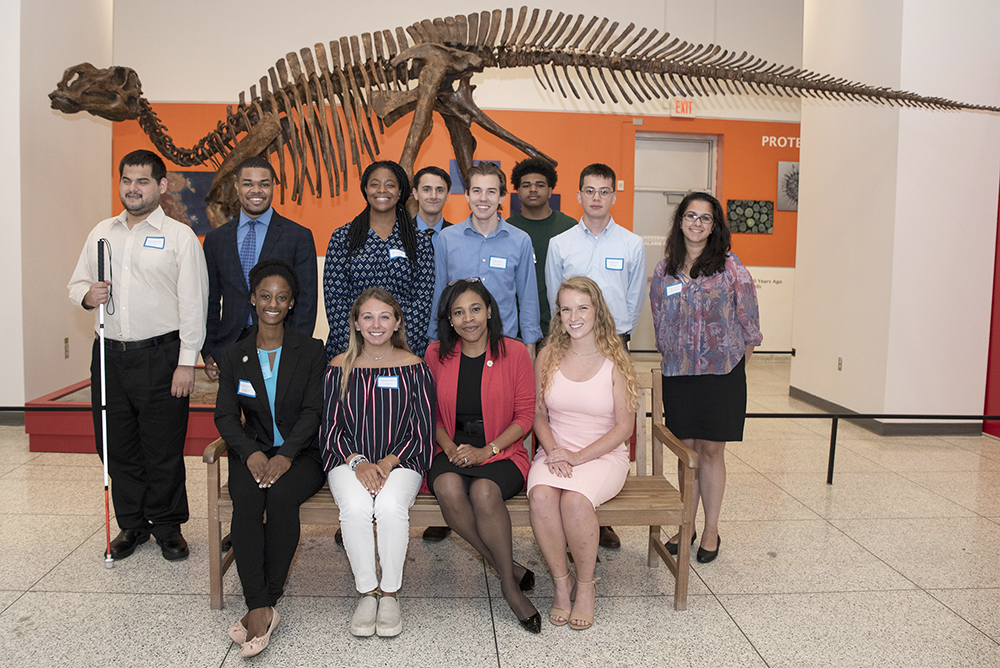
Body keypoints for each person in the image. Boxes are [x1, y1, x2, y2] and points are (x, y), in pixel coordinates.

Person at [68, 149, 208, 561]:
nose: (133, 188)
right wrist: (86, 295)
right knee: (115, 443)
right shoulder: (101, 233)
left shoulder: (180, 237)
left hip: (161, 356)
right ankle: (132, 524)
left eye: (143, 181)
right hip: (109, 355)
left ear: (161, 186)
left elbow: (194, 306)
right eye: (127, 180)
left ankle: (167, 526)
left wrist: (187, 363)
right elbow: (77, 284)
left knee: (162, 446)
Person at [214, 259, 326, 658]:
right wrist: (251, 452)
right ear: (252, 300)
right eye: (265, 296)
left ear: (292, 302)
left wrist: (287, 456)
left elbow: (314, 412)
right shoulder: (234, 355)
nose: (273, 303)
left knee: (280, 499)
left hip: (302, 454)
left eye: (281, 297)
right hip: (254, 451)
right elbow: (225, 415)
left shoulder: (311, 350)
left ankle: (262, 605)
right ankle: (261, 606)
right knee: (247, 503)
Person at [650, 192, 762, 564]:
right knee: (687, 455)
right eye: (691, 216)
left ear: (715, 226)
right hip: (680, 374)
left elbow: (750, 323)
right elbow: (659, 319)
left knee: (711, 452)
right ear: (680, 220)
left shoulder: (730, 267)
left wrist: (733, 365)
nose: (697, 223)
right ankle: (685, 526)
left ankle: (710, 529)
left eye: (705, 218)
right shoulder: (664, 270)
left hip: (721, 375)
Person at [423, 279, 541, 634]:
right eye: (458, 312)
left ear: (489, 311)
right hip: (451, 445)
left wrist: (486, 450)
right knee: (446, 485)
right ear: (449, 319)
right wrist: (449, 448)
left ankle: (507, 584)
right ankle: (508, 571)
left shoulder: (515, 352)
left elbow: (524, 416)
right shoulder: (436, 354)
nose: (468, 319)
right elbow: (433, 416)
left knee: (484, 492)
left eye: (475, 309)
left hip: (501, 448)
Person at [321, 288, 435, 638]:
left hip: (403, 460)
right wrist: (358, 462)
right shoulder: (337, 367)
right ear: (355, 322)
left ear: (397, 321)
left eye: (384, 316)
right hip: (347, 459)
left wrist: (386, 463)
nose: (376, 324)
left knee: (388, 506)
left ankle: (389, 594)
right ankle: (366, 592)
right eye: (367, 316)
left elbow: (423, 428)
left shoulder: (414, 367)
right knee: (355, 506)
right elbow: (330, 427)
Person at [544, 162, 646, 550]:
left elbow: (634, 300)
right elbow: (557, 297)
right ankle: (564, 496)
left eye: (604, 191)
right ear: (578, 195)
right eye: (590, 191)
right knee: (566, 413)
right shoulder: (561, 244)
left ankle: (596, 509)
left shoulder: (632, 244)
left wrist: (617, 339)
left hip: (613, 343)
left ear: (614, 196)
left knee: (612, 419)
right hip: (569, 342)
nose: (597, 198)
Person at [527, 276, 637, 631]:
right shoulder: (547, 355)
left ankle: (586, 586)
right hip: (556, 451)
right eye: (566, 309)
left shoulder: (615, 359)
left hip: (603, 454)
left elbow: (623, 428)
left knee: (574, 501)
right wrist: (554, 450)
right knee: (542, 496)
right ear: (558, 315)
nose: (574, 316)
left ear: (597, 311)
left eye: (582, 308)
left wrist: (578, 457)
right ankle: (562, 584)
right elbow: (538, 415)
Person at [202, 156, 318, 381]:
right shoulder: (216, 240)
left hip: (280, 348)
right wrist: (209, 351)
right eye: (248, 183)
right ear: (236, 187)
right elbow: (209, 301)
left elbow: (306, 302)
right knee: (230, 415)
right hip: (228, 351)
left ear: (273, 186)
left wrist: (294, 352)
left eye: (264, 184)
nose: (256, 190)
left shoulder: (298, 236)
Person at [428, 162, 541, 357]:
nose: (483, 198)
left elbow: (528, 298)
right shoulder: (447, 238)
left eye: (491, 191)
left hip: (505, 345)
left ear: (502, 196)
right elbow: (439, 294)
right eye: (477, 190)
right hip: (457, 345)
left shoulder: (520, 240)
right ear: (467, 195)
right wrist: (434, 337)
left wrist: (530, 345)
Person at [323, 160, 434, 359]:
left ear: (400, 192)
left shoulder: (419, 242)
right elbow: (335, 300)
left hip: (404, 352)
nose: (382, 190)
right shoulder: (343, 237)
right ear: (365, 189)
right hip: (350, 352)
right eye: (375, 184)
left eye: (390, 184)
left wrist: (396, 350)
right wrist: (358, 348)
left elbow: (422, 302)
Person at [506, 158, 576, 339]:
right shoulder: (506, 230)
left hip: (563, 326)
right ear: (518, 191)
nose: (533, 189)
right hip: (516, 328)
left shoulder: (569, 227)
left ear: (550, 190)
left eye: (540, 185)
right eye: (526, 185)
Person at [412, 165, 453, 239]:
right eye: (426, 190)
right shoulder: (400, 234)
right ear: (415, 193)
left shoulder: (457, 236)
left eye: (440, 190)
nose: (433, 196)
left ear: (447, 195)